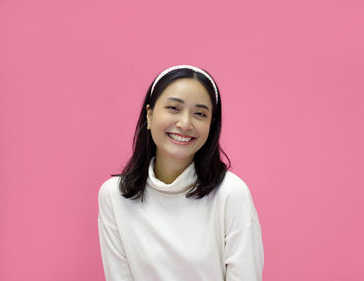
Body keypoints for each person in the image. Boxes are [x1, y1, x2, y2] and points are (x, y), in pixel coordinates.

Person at [97, 65, 264, 281]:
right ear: (149, 114)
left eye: (200, 114)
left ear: (211, 126)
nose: (185, 123)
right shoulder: (114, 196)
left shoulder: (231, 194)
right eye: (174, 108)